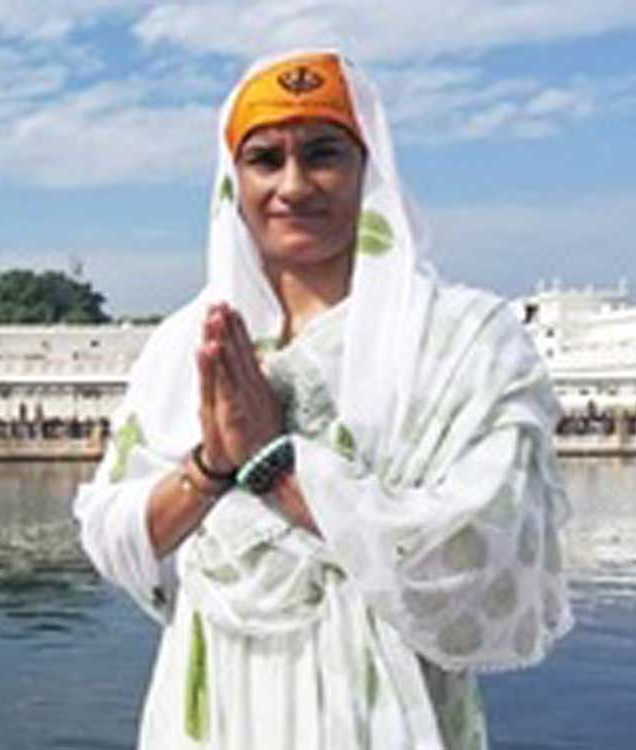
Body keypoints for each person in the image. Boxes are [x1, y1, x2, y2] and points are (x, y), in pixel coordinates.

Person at [74, 49, 572, 750]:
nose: (294, 184)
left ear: (370, 169)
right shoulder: (185, 345)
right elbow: (113, 536)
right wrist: (212, 468)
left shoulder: (461, 341)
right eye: (265, 159)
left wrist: (279, 469)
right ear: (231, 182)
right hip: (218, 711)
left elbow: (490, 552)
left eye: (323, 153)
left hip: (384, 718)